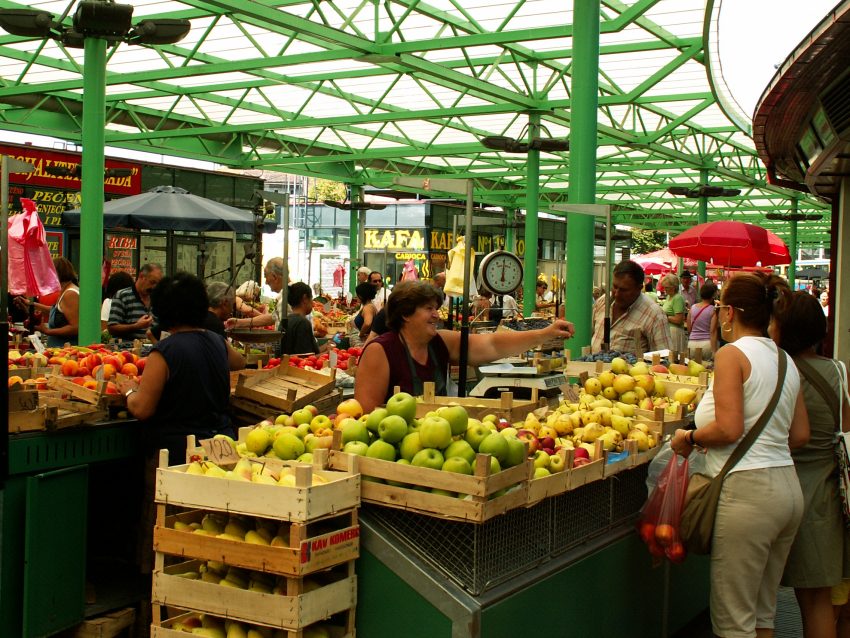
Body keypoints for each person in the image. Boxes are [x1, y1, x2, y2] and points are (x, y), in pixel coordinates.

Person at [671, 272, 809, 638]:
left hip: (747, 496)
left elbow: (728, 428)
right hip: (788, 493)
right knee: (763, 614)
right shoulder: (784, 360)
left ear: (729, 312)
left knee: (734, 621)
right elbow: (800, 435)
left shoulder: (733, 355)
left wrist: (689, 437)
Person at [354, 281, 575, 411]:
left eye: (436, 308)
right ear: (405, 314)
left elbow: (492, 344)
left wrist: (544, 334)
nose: (436, 315)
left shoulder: (440, 342)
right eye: (428, 309)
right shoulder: (381, 351)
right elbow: (365, 413)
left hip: (438, 441)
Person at [772, 292, 850, 638]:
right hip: (832, 493)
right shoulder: (838, 370)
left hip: (794, 490)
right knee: (823, 597)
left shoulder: (783, 373)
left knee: (811, 599)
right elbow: (845, 433)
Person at [117, 272, 245, 462]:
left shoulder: (164, 352)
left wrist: (129, 392)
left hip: (182, 453)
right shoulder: (218, 341)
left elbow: (142, 409)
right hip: (223, 445)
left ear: (161, 310)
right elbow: (239, 362)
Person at [591, 260, 671, 353]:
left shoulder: (654, 315)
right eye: (615, 287)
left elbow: (663, 356)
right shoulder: (603, 301)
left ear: (639, 288)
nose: (616, 294)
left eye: (624, 290)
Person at [24, 257, 80, 348]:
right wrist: (32, 305)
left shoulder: (70, 294)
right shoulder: (65, 290)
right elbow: (58, 312)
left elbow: (75, 327)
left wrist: (47, 331)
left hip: (67, 351)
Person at [225, 258, 285, 332]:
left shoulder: (290, 296)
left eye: (266, 277)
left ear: (275, 277)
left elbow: (272, 318)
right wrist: (239, 323)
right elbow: (272, 317)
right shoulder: (237, 298)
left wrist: (239, 323)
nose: (266, 282)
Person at [108, 263, 163, 341]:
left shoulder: (157, 298)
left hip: (152, 348)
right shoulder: (122, 296)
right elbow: (112, 328)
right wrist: (136, 326)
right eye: (152, 282)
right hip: (126, 350)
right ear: (141, 276)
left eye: (157, 284)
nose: (154, 287)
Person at [282, 282, 320, 355]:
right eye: (311, 298)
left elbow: (308, 352)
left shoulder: (286, 320)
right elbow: (305, 359)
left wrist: (327, 347)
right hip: (296, 366)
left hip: (286, 365)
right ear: (305, 299)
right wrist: (328, 353)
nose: (312, 303)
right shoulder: (302, 323)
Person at [686, 282, 717, 361]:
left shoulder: (692, 308)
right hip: (706, 344)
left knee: (692, 369)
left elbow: (689, 328)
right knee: (706, 370)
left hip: (692, 344)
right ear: (713, 295)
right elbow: (712, 332)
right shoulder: (713, 310)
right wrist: (714, 351)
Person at [660, 273, 688, 353]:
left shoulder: (678, 298)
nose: (665, 289)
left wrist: (665, 316)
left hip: (675, 332)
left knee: (674, 357)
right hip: (669, 331)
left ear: (674, 287)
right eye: (664, 287)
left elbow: (678, 320)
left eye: (667, 287)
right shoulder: (669, 297)